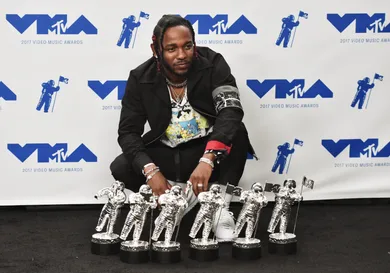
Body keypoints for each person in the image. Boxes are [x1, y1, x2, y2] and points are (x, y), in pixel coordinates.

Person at [110, 14, 257, 242]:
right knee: (122, 166)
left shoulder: (212, 63)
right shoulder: (140, 78)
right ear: (156, 49)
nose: (182, 55)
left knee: (236, 132)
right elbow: (128, 132)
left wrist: (208, 158)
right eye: (171, 49)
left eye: (187, 46)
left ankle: (218, 204)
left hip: (205, 151)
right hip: (168, 152)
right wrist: (151, 172)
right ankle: (175, 196)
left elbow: (230, 111)